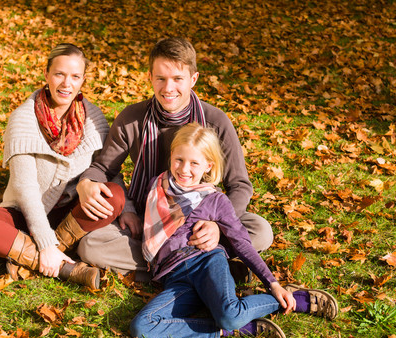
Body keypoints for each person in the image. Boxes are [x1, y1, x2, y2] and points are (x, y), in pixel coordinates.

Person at [75, 37, 273, 278]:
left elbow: (239, 185)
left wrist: (218, 227)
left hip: (200, 220)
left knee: (261, 230)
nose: (168, 88)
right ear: (150, 77)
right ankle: (203, 266)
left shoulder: (215, 122)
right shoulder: (132, 118)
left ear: (193, 79)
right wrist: (88, 184)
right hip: (148, 220)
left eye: (178, 79)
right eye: (161, 78)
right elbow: (103, 169)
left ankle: (170, 266)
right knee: (91, 245)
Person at [129, 123, 339, 338]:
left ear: (208, 166)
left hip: (206, 264)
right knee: (141, 327)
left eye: (194, 163)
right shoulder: (157, 186)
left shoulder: (215, 200)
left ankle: (294, 298)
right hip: (175, 278)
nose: (183, 169)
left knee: (229, 316)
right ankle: (234, 328)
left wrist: (273, 284)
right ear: (171, 155)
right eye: (179, 159)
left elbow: (242, 244)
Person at [0, 43, 125, 290]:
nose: (66, 84)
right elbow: (25, 188)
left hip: (71, 214)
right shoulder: (24, 118)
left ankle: (30, 256)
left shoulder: (94, 118)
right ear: (46, 75)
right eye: (59, 74)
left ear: (83, 80)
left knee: (114, 194)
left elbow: (108, 170)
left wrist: (130, 209)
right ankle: (65, 268)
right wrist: (46, 245)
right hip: (25, 213)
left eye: (75, 76)